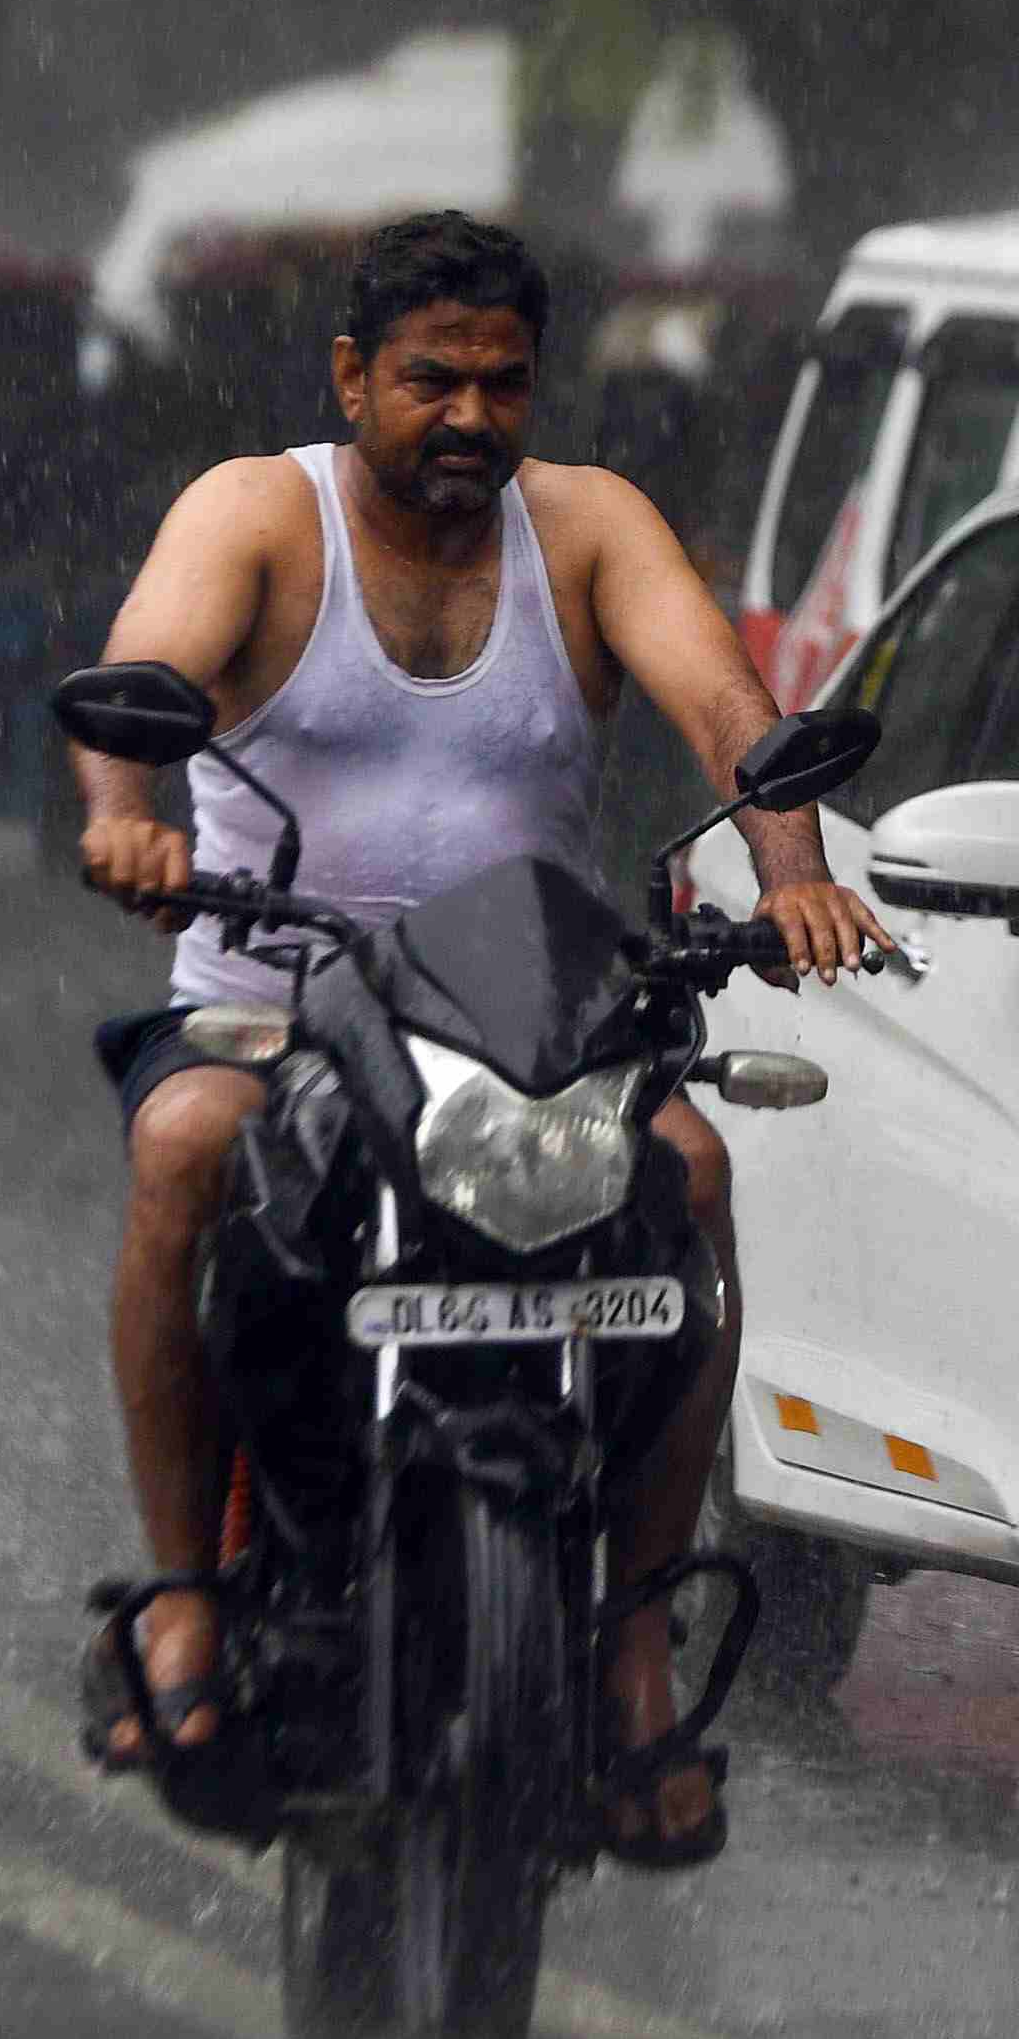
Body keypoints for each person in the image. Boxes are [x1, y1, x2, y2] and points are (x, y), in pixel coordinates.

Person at [70, 209, 884, 1862]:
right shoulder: (254, 514)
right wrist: (124, 816)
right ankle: (179, 1602)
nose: (468, 418)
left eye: (502, 384)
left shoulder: (588, 530)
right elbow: (132, 681)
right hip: (274, 1012)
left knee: (696, 1183)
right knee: (178, 1147)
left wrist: (792, 876)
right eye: (430, 380)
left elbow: (732, 716)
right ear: (352, 377)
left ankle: (636, 1638)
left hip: (530, 1037)